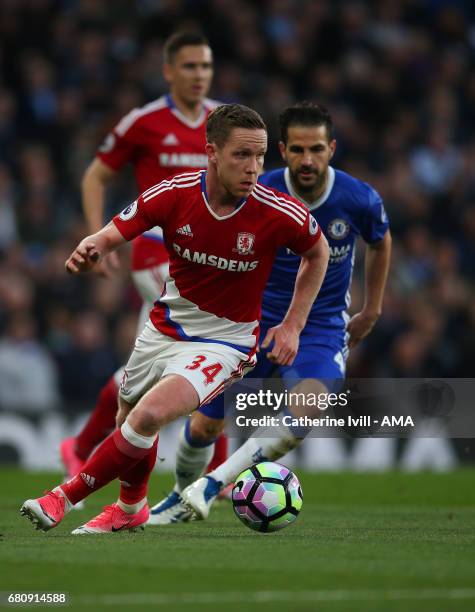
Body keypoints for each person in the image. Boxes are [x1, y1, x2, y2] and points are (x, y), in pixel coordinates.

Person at [20, 103, 329, 534]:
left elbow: (318, 252)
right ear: (212, 152)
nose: (254, 168)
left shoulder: (278, 211)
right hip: (165, 326)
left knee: (147, 417)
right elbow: (115, 230)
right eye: (242, 155)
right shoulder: (175, 193)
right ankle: (130, 510)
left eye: (260, 157)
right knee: (128, 425)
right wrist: (94, 246)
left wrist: (294, 323)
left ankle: (63, 497)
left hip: (227, 342)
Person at [147, 102, 391, 524]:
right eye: (297, 150)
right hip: (250, 323)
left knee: (309, 405)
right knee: (205, 426)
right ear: (282, 149)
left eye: (316, 148)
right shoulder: (258, 190)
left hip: (319, 328)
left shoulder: (359, 199)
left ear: (332, 148)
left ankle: (211, 484)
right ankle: (177, 496)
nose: (307, 159)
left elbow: (380, 241)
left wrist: (372, 307)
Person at [59, 30, 228, 481]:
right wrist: (98, 240)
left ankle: (78, 446)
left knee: (144, 367)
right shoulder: (143, 121)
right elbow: (94, 177)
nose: (199, 75)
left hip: (208, 259)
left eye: (205, 66)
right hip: (156, 255)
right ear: (168, 71)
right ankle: (218, 467)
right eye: (190, 66)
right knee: (208, 338)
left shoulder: (223, 124)